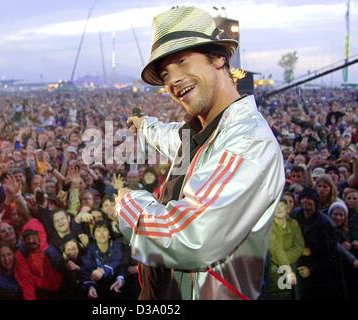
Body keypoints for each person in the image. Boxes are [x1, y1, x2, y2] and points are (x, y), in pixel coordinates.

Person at [117, 6, 285, 300]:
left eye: (182, 61)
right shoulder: (199, 132)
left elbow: (192, 238)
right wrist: (144, 125)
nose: (174, 79)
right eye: (167, 73)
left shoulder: (247, 143)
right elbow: (174, 141)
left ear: (219, 57)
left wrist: (126, 203)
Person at [266, 198, 304, 300]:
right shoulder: (269, 225)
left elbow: (299, 246)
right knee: (277, 294)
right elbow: (276, 248)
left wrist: (286, 259)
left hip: (291, 267)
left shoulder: (294, 224)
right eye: (276, 207)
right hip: (274, 269)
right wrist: (286, 267)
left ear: (287, 209)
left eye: (281, 206)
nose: (279, 209)